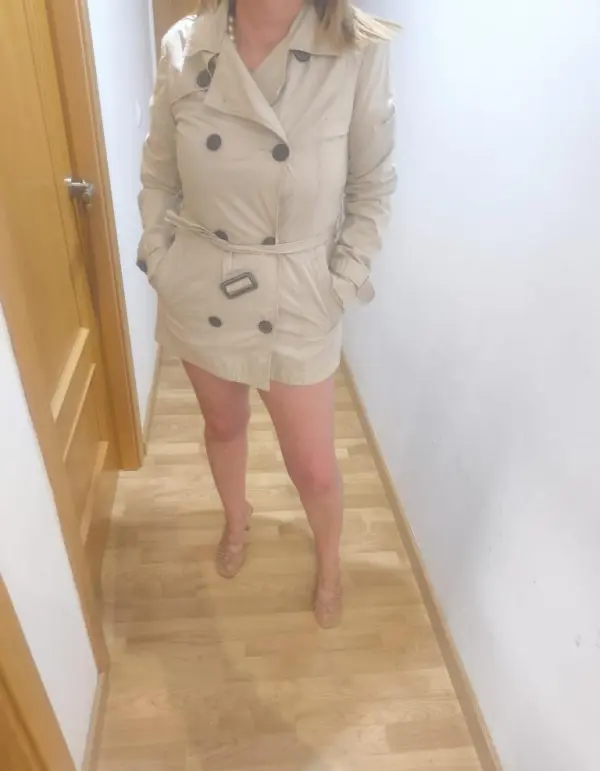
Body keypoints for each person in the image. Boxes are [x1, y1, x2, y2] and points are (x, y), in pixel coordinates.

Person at [137, 0, 396, 628]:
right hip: (203, 283)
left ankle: (330, 562)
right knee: (223, 425)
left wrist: (343, 280)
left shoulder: (356, 47)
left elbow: (372, 185)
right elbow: (159, 174)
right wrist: (159, 258)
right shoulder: (185, 46)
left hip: (300, 291)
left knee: (313, 466)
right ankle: (237, 518)